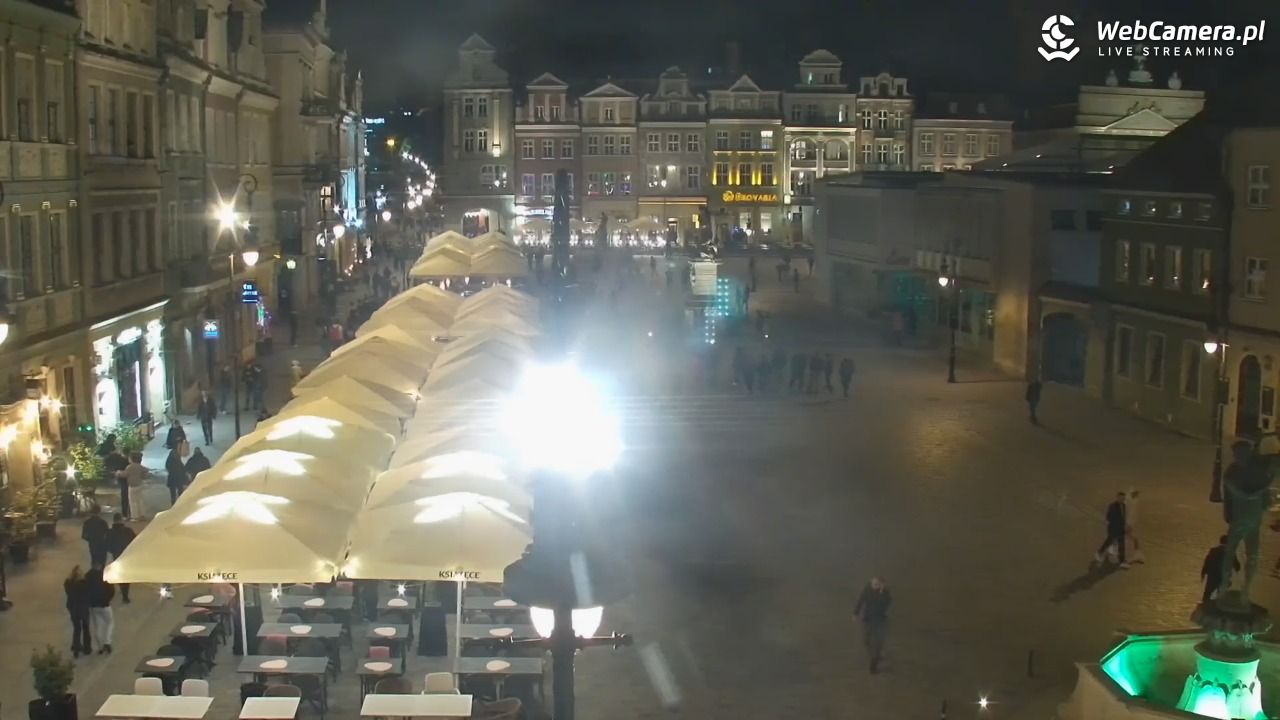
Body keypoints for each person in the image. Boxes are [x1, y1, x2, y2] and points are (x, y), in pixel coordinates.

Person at [854, 577, 892, 673]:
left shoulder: (885, 594)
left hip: (880, 622)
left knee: (878, 642)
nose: (873, 585)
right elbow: (861, 599)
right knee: (866, 640)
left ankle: (874, 663)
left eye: (876, 584)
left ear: (880, 584)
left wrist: (882, 592)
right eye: (872, 583)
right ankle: (875, 656)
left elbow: (885, 604)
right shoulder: (867, 589)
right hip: (868, 620)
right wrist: (855, 612)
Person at [85, 564, 115, 653]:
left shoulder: (87, 577)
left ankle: (100, 647)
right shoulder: (104, 576)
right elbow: (111, 590)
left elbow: (85, 591)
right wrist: (107, 599)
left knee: (97, 626)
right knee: (110, 623)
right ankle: (107, 641)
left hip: (94, 606)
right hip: (105, 604)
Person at [106, 514, 135, 604]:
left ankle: (122, 590)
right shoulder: (128, 531)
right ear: (121, 520)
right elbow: (135, 541)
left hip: (116, 555)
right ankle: (125, 595)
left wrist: (113, 550)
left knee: (119, 573)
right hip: (126, 556)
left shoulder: (110, 532)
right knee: (126, 575)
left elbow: (107, 545)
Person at [1202, 535, 1239, 603]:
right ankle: (1219, 604)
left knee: (1208, 592)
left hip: (1212, 575)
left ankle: (1204, 605)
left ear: (1220, 541)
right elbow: (1237, 566)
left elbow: (1206, 562)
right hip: (1224, 576)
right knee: (1221, 592)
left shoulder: (1213, 550)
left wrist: (1203, 573)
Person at [1095, 491, 1128, 568]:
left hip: (1121, 529)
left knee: (1121, 545)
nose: (1122, 499)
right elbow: (1108, 517)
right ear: (1117, 497)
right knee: (1109, 541)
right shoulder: (1112, 506)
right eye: (1120, 498)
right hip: (1113, 528)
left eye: (1123, 498)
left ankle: (1122, 561)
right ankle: (1099, 552)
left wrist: (1124, 527)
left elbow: (1123, 518)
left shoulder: (1124, 505)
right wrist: (1115, 524)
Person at [64, 565, 91, 658]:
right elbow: (87, 594)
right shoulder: (84, 583)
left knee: (77, 629)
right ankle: (87, 648)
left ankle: (76, 648)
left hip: (73, 608)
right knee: (86, 628)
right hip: (83, 608)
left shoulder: (68, 583)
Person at [123, 452, 149, 522]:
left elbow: (125, 474)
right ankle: (142, 515)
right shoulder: (140, 466)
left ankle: (135, 517)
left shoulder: (129, 467)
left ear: (132, 459)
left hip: (132, 486)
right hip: (140, 484)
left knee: (133, 502)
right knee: (140, 500)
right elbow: (146, 470)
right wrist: (143, 476)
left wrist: (118, 473)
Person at [104, 449, 129, 520]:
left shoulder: (112, 459)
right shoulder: (126, 460)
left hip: (122, 479)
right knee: (128, 498)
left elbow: (111, 468)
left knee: (124, 497)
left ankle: (125, 514)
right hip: (128, 480)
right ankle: (129, 513)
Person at [1126, 488, 1145, 564]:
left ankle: (1135, 555)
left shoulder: (1133, 502)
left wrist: (1129, 525)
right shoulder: (1134, 501)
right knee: (1133, 538)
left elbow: (1132, 515)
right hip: (1132, 523)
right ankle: (1138, 555)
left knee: (1130, 538)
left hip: (1131, 523)